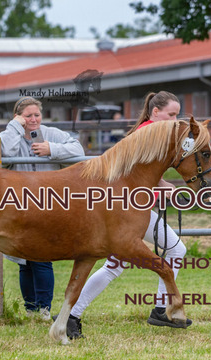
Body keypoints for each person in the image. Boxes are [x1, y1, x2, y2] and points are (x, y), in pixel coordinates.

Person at [64, 91, 191, 338]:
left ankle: (73, 315)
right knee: (174, 250)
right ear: (156, 112)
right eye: (171, 114)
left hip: (134, 209)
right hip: (129, 212)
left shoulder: (151, 133)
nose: (175, 120)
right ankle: (160, 309)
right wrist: (162, 185)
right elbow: (132, 171)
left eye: (178, 115)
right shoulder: (147, 133)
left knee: (115, 266)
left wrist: (161, 184)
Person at [0, 96, 85, 320]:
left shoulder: (52, 134)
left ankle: (44, 309)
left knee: (42, 257)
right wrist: (15, 127)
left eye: (37, 115)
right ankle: (31, 309)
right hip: (20, 206)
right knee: (24, 260)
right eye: (28, 116)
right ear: (18, 117)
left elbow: (78, 149)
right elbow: (4, 153)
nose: (33, 119)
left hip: (48, 206)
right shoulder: (11, 135)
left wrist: (52, 149)